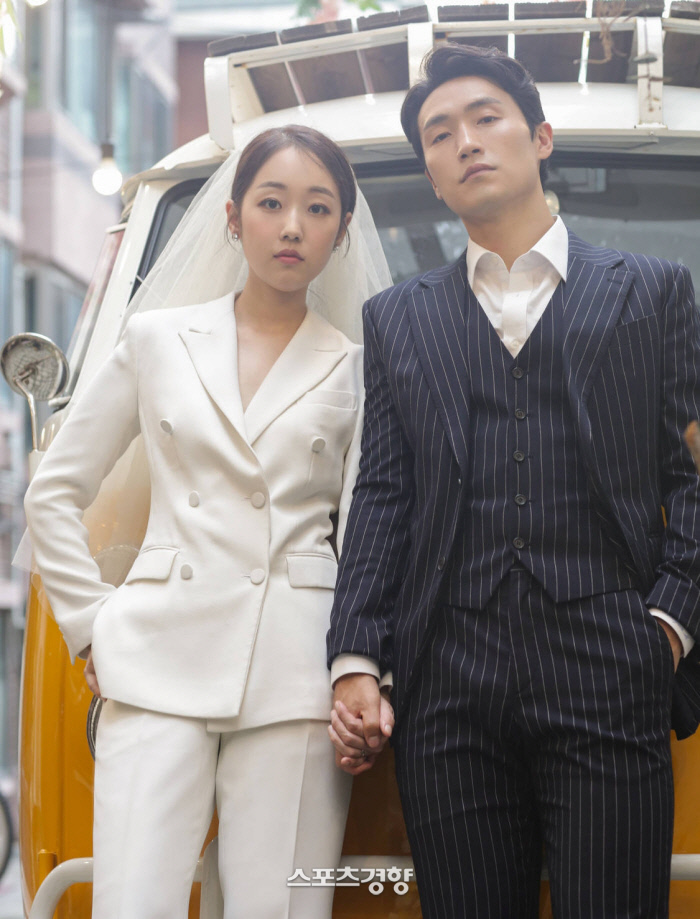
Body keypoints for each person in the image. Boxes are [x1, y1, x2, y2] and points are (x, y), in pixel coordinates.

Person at [327, 43, 700, 919]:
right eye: (439, 134)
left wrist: (668, 625)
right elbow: (383, 492)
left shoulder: (652, 291)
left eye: (485, 118)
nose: (464, 141)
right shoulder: (397, 318)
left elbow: (691, 472)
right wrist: (356, 656)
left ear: (540, 137)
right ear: (431, 172)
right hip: (446, 672)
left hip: (611, 656)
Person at [23, 124, 393, 919]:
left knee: (280, 909)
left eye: (317, 208)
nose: (292, 226)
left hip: (296, 672)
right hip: (156, 657)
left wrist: (364, 669)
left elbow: (371, 533)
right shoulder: (156, 340)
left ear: (340, 232)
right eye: (271, 202)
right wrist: (91, 628)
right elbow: (53, 490)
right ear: (233, 216)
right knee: (132, 903)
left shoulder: (358, 368)